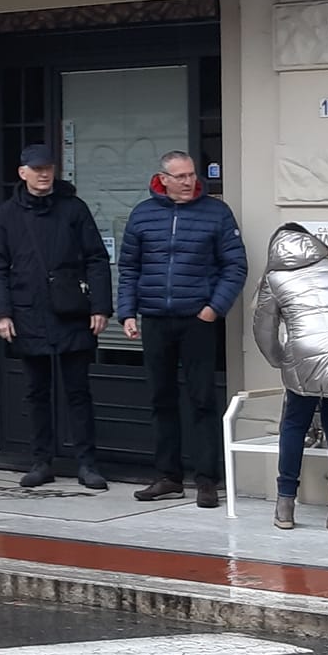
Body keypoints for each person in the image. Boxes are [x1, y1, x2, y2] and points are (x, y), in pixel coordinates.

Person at [117, 151, 247, 508]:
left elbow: (235, 265)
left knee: (202, 399)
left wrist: (213, 309)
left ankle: (207, 480)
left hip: (197, 320)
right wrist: (127, 312)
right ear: (163, 179)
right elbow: (129, 268)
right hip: (155, 318)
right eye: (181, 176)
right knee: (161, 399)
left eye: (191, 175)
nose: (189, 181)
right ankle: (168, 477)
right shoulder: (143, 214)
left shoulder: (216, 213)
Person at [0, 144, 115, 491]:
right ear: (22, 172)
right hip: (27, 313)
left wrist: (101, 307)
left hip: (72, 312)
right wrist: (1, 313)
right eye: (37, 168)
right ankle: (41, 462)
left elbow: (97, 258)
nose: (44, 174)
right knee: (36, 393)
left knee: (78, 391)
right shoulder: (8, 214)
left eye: (48, 168)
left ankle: (87, 464)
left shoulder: (73, 208)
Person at [251, 223, 328, 534]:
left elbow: (263, 330)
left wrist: (279, 360)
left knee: (294, 424)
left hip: (304, 353)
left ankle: (285, 506)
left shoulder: (274, 277)